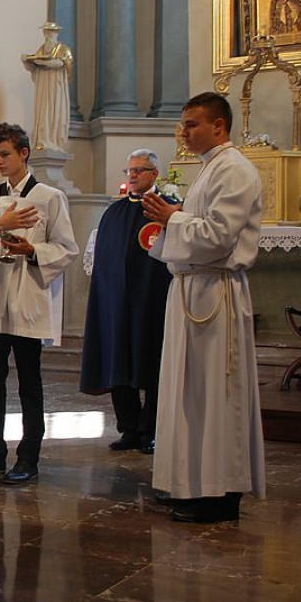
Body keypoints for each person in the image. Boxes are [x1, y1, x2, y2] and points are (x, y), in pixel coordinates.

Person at [141, 92, 265, 523]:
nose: (185, 131)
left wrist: (173, 217)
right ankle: (192, 484)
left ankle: (221, 493)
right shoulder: (211, 169)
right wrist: (170, 220)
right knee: (190, 393)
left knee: (216, 394)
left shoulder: (235, 170)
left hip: (216, 294)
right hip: (193, 289)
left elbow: (218, 236)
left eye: (193, 123)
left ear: (219, 125)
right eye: (183, 123)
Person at [0, 122, 78, 484]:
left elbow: (67, 247)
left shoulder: (50, 197)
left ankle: (29, 455)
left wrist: (33, 249)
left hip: (27, 296)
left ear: (24, 153)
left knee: (29, 380)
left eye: (5, 154)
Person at [80, 151, 175, 455]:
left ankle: (150, 429)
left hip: (152, 299)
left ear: (154, 174)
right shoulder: (114, 212)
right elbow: (105, 260)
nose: (132, 175)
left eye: (140, 170)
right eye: (130, 170)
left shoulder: (166, 209)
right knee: (118, 359)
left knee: (152, 361)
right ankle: (129, 427)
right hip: (117, 301)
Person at [21, 21, 73, 152]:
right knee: (43, 112)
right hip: (43, 86)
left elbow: (63, 64)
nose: (48, 34)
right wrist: (27, 61)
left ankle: (54, 140)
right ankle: (42, 139)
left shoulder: (62, 49)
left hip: (56, 86)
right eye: (46, 32)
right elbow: (33, 68)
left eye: (50, 32)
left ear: (56, 33)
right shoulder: (42, 49)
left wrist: (45, 62)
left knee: (53, 112)